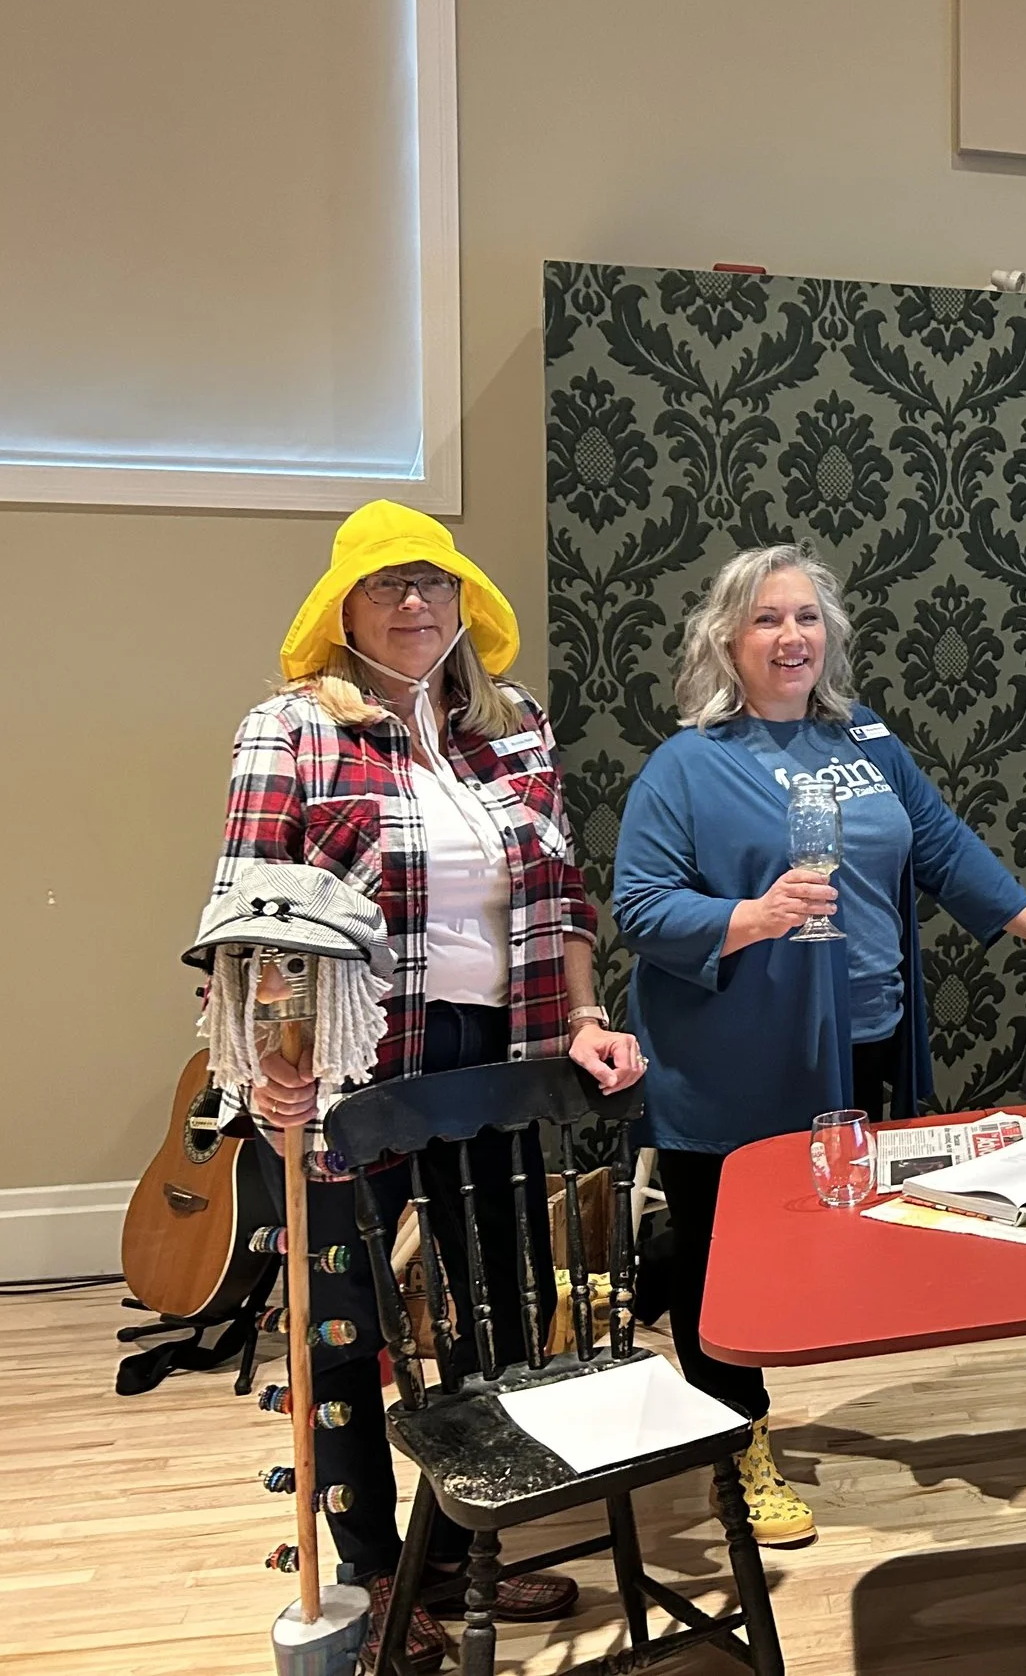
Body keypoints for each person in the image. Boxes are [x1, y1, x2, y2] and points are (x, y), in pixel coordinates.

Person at [211, 500, 645, 1670]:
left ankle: (454, 1550)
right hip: (349, 1064)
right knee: (347, 1330)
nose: (415, 604)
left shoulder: (515, 726)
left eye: (435, 582)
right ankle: (371, 1580)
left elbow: (561, 894)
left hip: (494, 1059)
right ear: (343, 610)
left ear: (463, 601)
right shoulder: (292, 730)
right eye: (387, 585)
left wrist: (586, 1015)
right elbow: (249, 912)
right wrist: (272, 1065)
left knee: (498, 1313)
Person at [613, 545, 1026, 1547]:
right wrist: (752, 916)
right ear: (725, 639)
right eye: (766, 619)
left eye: (805, 617)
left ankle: (755, 1414)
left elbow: (939, 842)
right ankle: (736, 1443)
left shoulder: (863, 738)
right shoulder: (687, 764)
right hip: (734, 1056)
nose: (790, 636)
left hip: (862, 1040)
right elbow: (640, 906)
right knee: (718, 1258)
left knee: (826, 1231)